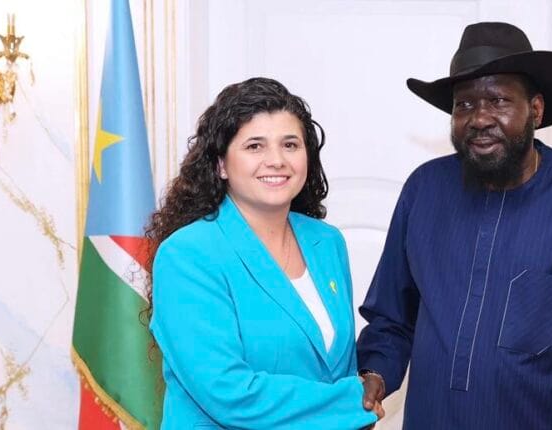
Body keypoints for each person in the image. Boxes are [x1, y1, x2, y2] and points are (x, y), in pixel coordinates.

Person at [356, 22, 552, 429]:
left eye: (498, 100)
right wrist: (376, 372)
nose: (479, 118)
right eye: (464, 105)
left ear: (535, 110)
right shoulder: (424, 191)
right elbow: (391, 319)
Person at [145, 78, 380, 429]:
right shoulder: (187, 255)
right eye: (255, 146)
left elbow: (339, 366)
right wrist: (352, 403)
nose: (276, 160)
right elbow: (227, 392)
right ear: (221, 165)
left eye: (290, 144)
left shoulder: (327, 242)